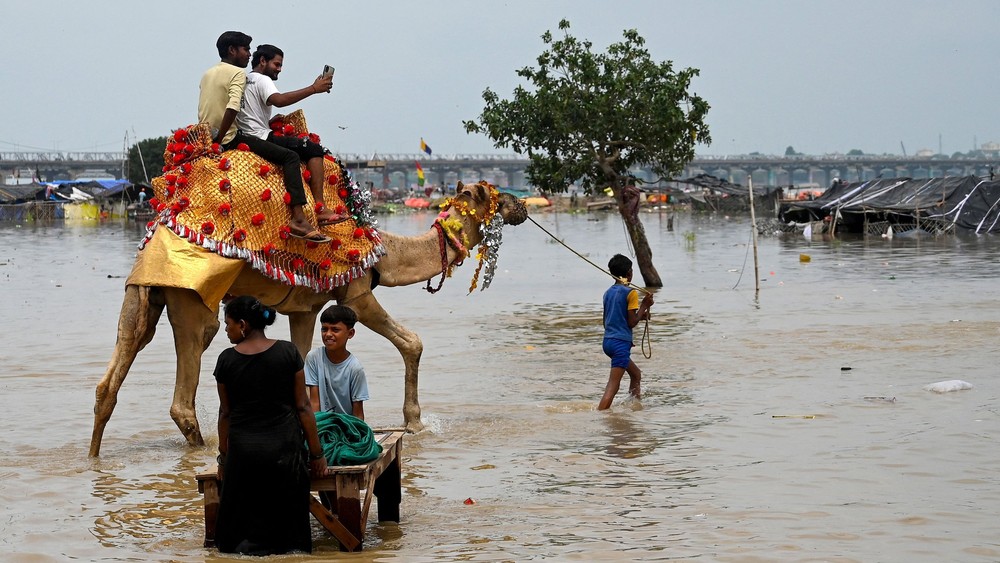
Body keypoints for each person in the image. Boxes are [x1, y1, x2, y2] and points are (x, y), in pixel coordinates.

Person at [213, 295, 327, 555]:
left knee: (237, 527)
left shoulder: (226, 360)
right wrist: (317, 454)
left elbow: (225, 414)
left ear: (243, 324)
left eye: (228, 324)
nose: (226, 330)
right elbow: (303, 407)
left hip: (244, 454)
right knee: (289, 524)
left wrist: (223, 458)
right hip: (285, 452)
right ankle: (290, 551)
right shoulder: (288, 352)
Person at [198, 32, 327, 242]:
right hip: (233, 137)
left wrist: (210, 137)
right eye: (245, 49)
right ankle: (305, 215)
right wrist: (314, 89)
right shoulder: (242, 75)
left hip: (208, 134)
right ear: (233, 50)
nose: (248, 54)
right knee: (295, 155)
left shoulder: (208, 74)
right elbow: (238, 106)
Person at [236, 44, 347, 230]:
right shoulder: (262, 80)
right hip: (260, 137)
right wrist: (313, 88)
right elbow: (280, 101)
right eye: (276, 64)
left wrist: (270, 120)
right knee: (313, 149)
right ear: (262, 61)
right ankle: (320, 208)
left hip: (247, 136)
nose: (279, 69)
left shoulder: (244, 80)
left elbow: (248, 114)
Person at [597, 254, 654, 410]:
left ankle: (634, 406)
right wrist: (644, 304)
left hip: (608, 342)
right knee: (613, 386)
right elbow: (631, 322)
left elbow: (611, 318)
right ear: (629, 273)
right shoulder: (631, 293)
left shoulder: (608, 292)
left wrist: (641, 315)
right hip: (619, 343)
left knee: (636, 374)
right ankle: (599, 416)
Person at [305, 304, 370, 420]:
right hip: (323, 424)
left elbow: (358, 413)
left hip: (346, 426)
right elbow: (314, 403)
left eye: (335, 329)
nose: (328, 334)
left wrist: (357, 435)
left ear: (350, 333)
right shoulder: (314, 357)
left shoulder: (355, 368)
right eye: (324, 329)